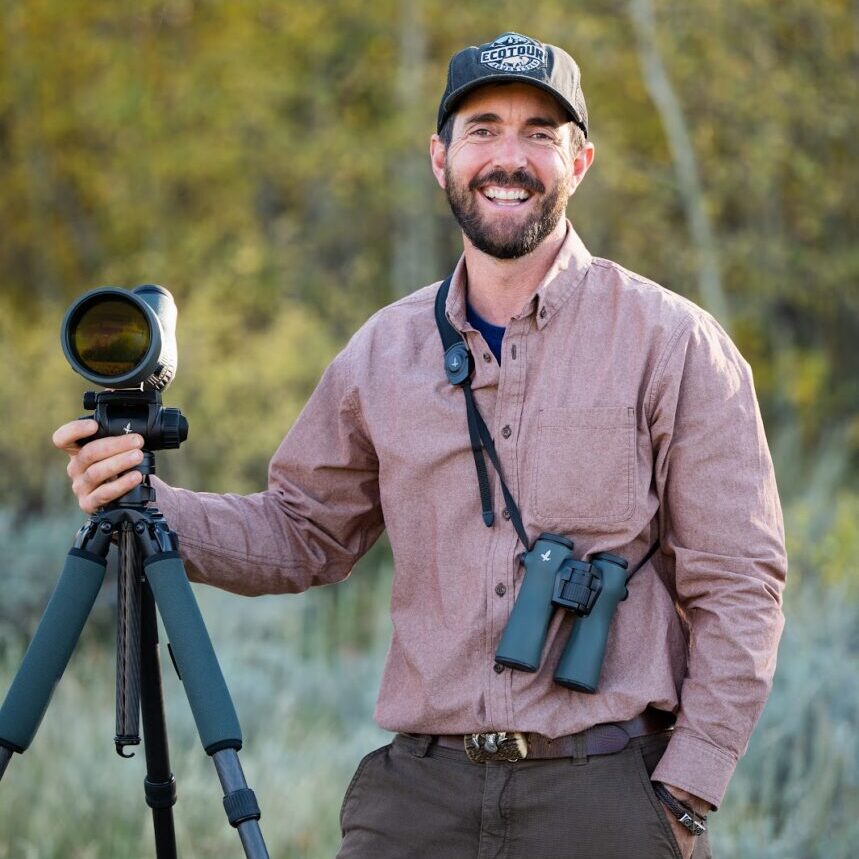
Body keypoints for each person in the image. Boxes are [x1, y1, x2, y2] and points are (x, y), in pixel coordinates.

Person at [53, 32, 786, 859]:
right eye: (482, 129)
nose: (508, 157)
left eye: (539, 134)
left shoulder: (674, 343)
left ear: (579, 162)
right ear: (439, 157)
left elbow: (739, 583)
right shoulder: (381, 351)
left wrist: (686, 791)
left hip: (602, 792)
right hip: (417, 797)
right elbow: (303, 532)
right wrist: (148, 504)